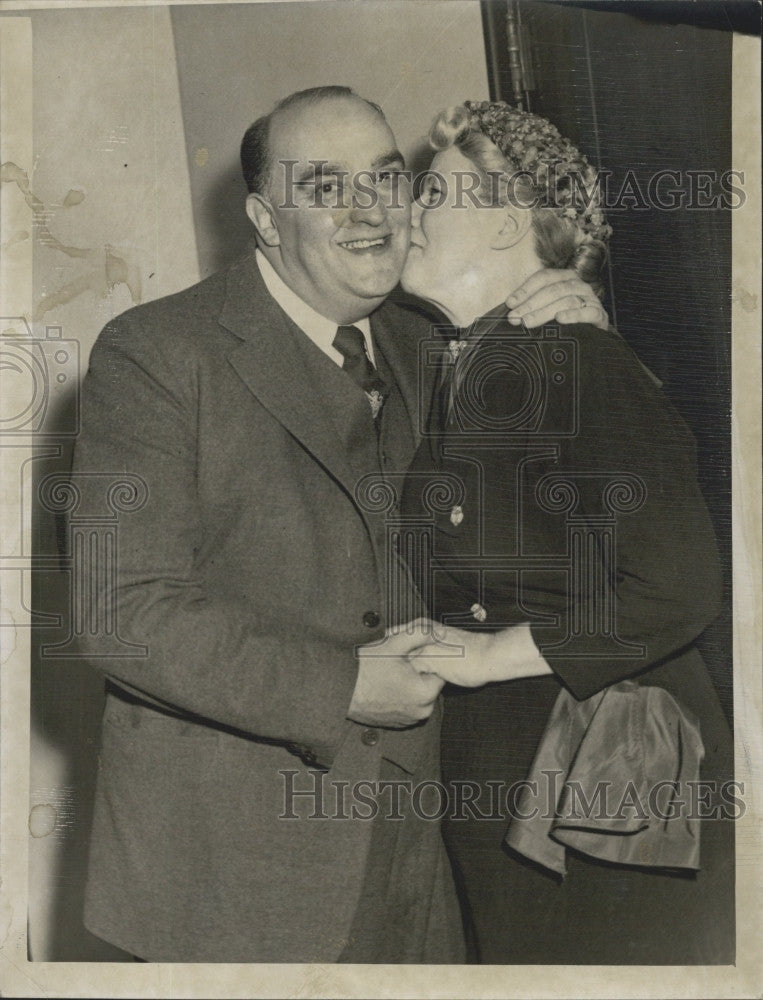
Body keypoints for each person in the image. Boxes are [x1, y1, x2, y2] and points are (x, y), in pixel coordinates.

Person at [70, 87, 605, 963]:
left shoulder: (430, 340)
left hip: (428, 851)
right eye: (323, 186)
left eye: (386, 180)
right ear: (264, 219)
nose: (367, 212)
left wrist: (582, 343)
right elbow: (118, 612)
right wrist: (340, 688)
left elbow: (578, 523)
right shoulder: (154, 353)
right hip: (233, 873)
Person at [394, 101, 735, 964]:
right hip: (502, 771)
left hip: (607, 782)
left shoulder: (578, 358)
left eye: (432, 191)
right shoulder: (459, 361)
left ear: (509, 217)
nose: (406, 211)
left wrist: (483, 655)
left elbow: (679, 585)